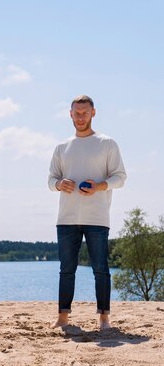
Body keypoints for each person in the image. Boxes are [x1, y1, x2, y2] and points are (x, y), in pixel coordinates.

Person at [48, 95, 126, 330]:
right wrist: (60, 184)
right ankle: (63, 317)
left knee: (101, 269)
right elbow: (51, 180)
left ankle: (104, 317)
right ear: (70, 114)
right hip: (66, 218)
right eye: (76, 112)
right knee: (66, 269)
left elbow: (120, 177)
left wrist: (99, 186)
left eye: (85, 112)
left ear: (93, 113)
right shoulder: (62, 147)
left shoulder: (107, 143)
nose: (80, 116)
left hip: (97, 218)